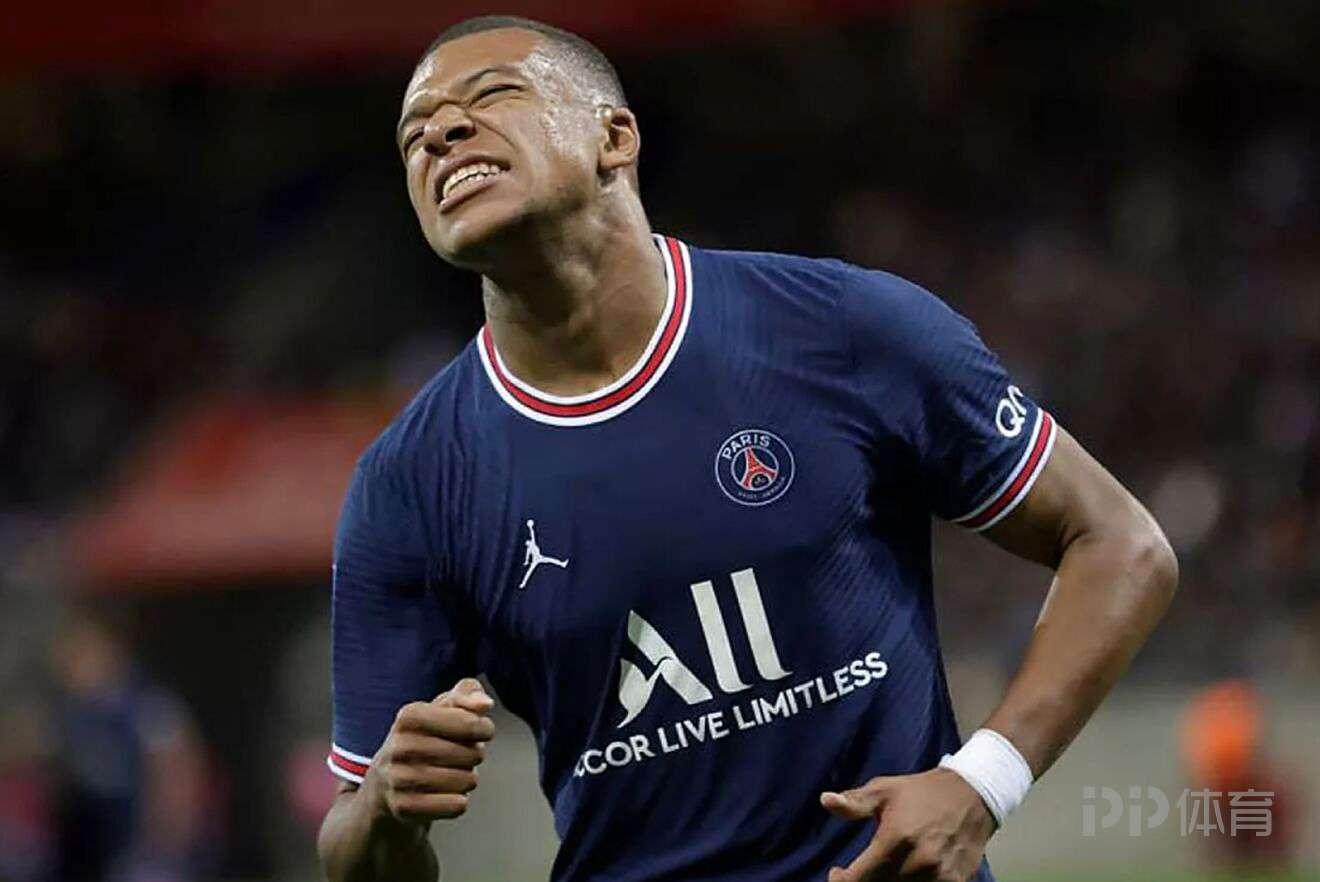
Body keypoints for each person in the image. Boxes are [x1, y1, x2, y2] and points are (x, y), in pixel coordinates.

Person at [317, 15, 1178, 882]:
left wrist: (981, 783)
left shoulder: (843, 329)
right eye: (414, 136)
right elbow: (353, 849)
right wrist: (386, 804)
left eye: (491, 94)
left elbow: (1121, 543)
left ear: (614, 138)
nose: (441, 132)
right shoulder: (410, 485)